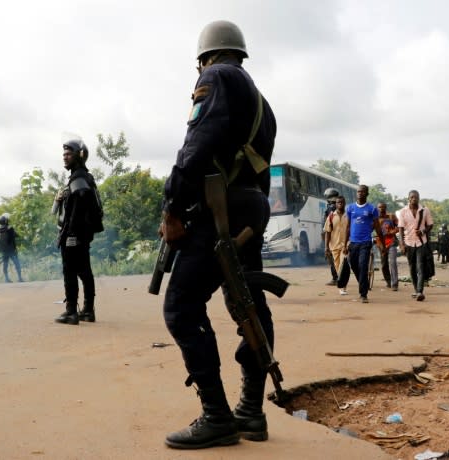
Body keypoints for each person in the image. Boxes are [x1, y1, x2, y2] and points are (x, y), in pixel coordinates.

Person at [159, 20, 277, 450]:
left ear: (203, 58)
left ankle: (217, 417)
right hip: (248, 207)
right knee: (246, 302)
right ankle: (251, 409)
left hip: (219, 208)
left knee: (181, 307)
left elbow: (197, 145)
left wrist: (172, 206)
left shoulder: (216, 78)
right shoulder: (261, 101)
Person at [53, 138, 99, 325]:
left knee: (70, 271)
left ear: (79, 156)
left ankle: (71, 311)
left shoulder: (79, 177)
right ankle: (88, 310)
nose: (65, 157)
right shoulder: (83, 176)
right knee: (84, 271)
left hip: (74, 233)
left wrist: (71, 234)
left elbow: (79, 208)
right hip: (82, 233)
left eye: (69, 154)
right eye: (64, 154)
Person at [344, 185, 384, 303]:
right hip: (353, 243)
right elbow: (347, 227)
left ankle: (363, 294)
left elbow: (377, 227)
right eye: (358, 191)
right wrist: (344, 244)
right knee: (354, 266)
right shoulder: (350, 208)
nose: (360, 193)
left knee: (363, 266)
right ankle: (364, 283)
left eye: (362, 191)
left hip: (365, 243)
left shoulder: (372, 209)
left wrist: (383, 245)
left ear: (367, 194)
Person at [397, 190, 434, 301]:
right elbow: (400, 229)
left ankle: (420, 291)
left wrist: (422, 231)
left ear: (419, 198)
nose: (414, 199)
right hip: (408, 243)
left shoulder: (424, 210)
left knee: (420, 266)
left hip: (421, 242)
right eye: (412, 197)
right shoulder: (403, 211)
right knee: (412, 268)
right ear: (408, 198)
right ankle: (416, 289)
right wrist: (402, 245)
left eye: (416, 197)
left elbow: (430, 225)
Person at [323, 196, 350, 295]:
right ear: (336, 204)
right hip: (334, 246)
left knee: (343, 266)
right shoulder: (331, 216)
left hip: (345, 246)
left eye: (342, 202)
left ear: (345, 203)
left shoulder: (348, 215)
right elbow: (327, 232)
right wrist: (326, 247)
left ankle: (342, 287)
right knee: (338, 266)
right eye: (338, 202)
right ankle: (342, 284)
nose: (340, 204)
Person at [377, 202, 399, 291]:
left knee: (393, 262)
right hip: (381, 244)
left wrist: (391, 232)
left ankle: (395, 284)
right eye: (379, 207)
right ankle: (388, 281)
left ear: (386, 208)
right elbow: (371, 228)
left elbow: (399, 227)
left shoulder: (391, 217)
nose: (381, 209)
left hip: (391, 242)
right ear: (377, 208)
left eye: (383, 207)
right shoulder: (375, 219)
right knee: (383, 264)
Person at [0, 213, 23, 283]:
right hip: (11, 250)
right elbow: (16, 235)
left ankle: (6, 279)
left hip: (4, 250)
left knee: (5, 264)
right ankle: (20, 278)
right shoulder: (10, 229)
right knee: (17, 264)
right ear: (6, 221)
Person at [322, 188, 340, 286]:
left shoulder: (330, 208)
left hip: (332, 236)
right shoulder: (340, 205)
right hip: (339, 235)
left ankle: (335, 278)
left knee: (331, 257)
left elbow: (327, 225)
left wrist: (325, 243)